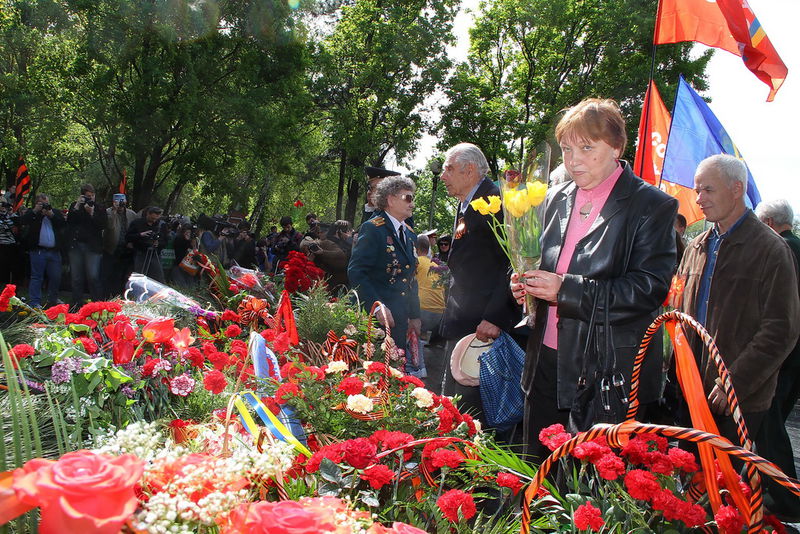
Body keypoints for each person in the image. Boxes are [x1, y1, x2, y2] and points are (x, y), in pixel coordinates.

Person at [511, 98, 678, 461]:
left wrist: (565, 289)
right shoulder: (556, 198)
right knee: (534, 472)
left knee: (585, 492)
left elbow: (649, 289)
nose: (573, 161)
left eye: (587, 148)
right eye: (568, 149)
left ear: (617, 147)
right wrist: (526, 286)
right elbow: (547, 264)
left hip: (604, 371)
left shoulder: (651, 205)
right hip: (544, 358)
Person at [439, 142, 519, 412]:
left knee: (474, 409)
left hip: (482, 326)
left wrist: (496, 315)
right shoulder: (469, 203)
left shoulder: (493, 203)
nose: (442, 176)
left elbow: (511, 264)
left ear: (470, 170)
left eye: (448, 169)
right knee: (456, 404)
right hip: (466, 321)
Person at [753, 198, 800, 522]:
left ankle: (785, 497)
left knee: (769, 425)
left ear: (768, 224)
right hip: (797, 351)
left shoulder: (779, 250)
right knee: (773, 423)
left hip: (783, 352)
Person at [348, 176, 421, 374]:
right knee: (373, 372)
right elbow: (357, 271)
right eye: (407, 197)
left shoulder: (409, 233)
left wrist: (415, 315)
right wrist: (378, 308)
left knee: (393, 372)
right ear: (390, 199)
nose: (412, 203)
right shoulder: (373, 228)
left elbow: (410, 278)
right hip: (376, 320)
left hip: (398, 317)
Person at [20, 193, 66, 308]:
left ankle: (53, 299)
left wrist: (51, 215)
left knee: (56, 276)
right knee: (37, 276)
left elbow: (63, 225)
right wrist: (36, 210)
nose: (45, 206)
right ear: (37, 203)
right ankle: (35, 302)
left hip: (54, 251)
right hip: (38, 250)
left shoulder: (54, 212)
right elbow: (23, 221)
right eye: (42, 203)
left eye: (46, 203)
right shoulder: (33, 213)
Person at [66, 184, 107, 307]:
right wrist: (78, 205)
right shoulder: (75, 206)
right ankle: (76, 303)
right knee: (76, 277)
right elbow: (70, 221)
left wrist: (92, 213)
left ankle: (97, 304)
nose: (90, 198)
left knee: (93, 276)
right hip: (76, 245)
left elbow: (102, 225)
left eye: (92, 196)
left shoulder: (99, 207)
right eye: (87, 196)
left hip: (92, 247)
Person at [415, 234, 446, 383]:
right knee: (420, 337)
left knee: (412, 336)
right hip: (438, 312)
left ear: (416, 248)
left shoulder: (416, 262)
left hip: (422, 308)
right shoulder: (437, 266)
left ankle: (417, 369)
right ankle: (421, 368)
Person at [102, 193, 137, 297]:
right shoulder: (108, 212)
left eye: (123, 203)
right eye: (118, 203)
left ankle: (122, 296)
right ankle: (107, 297)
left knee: (124, 275)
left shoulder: (131, 214)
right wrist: (114, 211)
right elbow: (109, 226)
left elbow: (135, 230)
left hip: (126, 249)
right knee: (109, 275)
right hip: (111, 248)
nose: (121, 206)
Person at [126, 206, 168, 282]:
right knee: (138, 277)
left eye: (156, 219)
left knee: (158, 278)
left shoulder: (161, 225)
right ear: (148, 214)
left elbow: (165, 241)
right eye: (152, 218)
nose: (154, 221)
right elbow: (128, 237)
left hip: (155, 254)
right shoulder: (136, 223)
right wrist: (140, 235)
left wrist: (158, 243)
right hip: (140, 253)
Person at [310, 220, 353, 290]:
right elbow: (342, 255)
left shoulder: (340, 242)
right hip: (335, 283)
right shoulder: (329, 243)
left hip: (340, 282)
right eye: (346, 230)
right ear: (338, 231)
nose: (348, 233)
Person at [0, 200, 23, 285]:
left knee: (12, 268)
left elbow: (18, 228)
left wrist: (12, 215)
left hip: (11, 245)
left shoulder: (13, 218)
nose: (5, 210)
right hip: (2, 245)